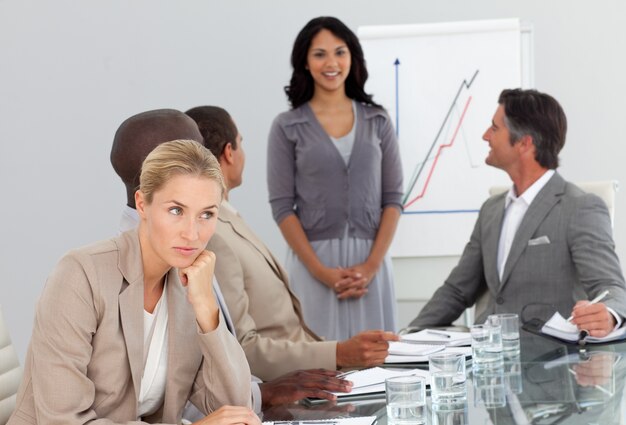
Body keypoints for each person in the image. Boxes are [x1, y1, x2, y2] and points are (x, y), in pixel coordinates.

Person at [112, 109, 352, 410]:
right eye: (198, 151)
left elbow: (213, 363)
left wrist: (258, 394)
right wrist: (258, 395)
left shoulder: (191, 240)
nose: (210, 160)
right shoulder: (129, 269)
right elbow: (165, 393)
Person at [9, 140, 258, 425]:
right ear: (142, 204)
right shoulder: (81, 275)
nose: (193, 233)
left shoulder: (188, 285)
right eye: (176, 210)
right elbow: (63, 420)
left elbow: (237, 407)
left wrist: (206, 308)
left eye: (206, 214)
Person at [186, 105, 398, 382]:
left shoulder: (228, 221)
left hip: (310, 372)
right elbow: (242, 347)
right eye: (241, 143)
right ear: (229, 152)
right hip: (288, 384)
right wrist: (340, 353)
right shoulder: (215, 235)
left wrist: (344, 353)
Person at [408, 88, 626, 337]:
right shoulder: (491, 209)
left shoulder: (580, 207)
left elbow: (610, 287)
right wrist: (408, 334)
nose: (485, 136)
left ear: (524, 143)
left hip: (551, 363)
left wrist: (609, 315)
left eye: (494, 128)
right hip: (487, 358)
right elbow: (457, 290)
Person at [267, 16, 403, 340]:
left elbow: (393, 199)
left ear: (352, 58)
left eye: (340, 52)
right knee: (319, 370)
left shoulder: (378, 121)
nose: (331, 63)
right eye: (320, 54)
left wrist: (370, 268)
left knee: (378, 364)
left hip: (372, 266)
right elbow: (283, 207)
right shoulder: (287, 126)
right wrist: (321, 272)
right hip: (314, 266)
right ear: (304, 62)